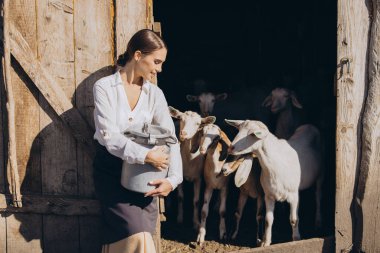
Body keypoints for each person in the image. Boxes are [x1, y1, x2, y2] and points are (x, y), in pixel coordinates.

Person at [92, 29, 183, 253]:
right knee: (136, 233)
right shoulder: (104, 87)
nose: (159, 69)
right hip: (112, 173)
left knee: (143, 236)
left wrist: (173, 180)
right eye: (156, 61)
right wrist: (146, 154)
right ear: (138, 55)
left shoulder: (155, 94)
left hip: (146, 177)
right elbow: (109, 136)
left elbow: (171, 139)